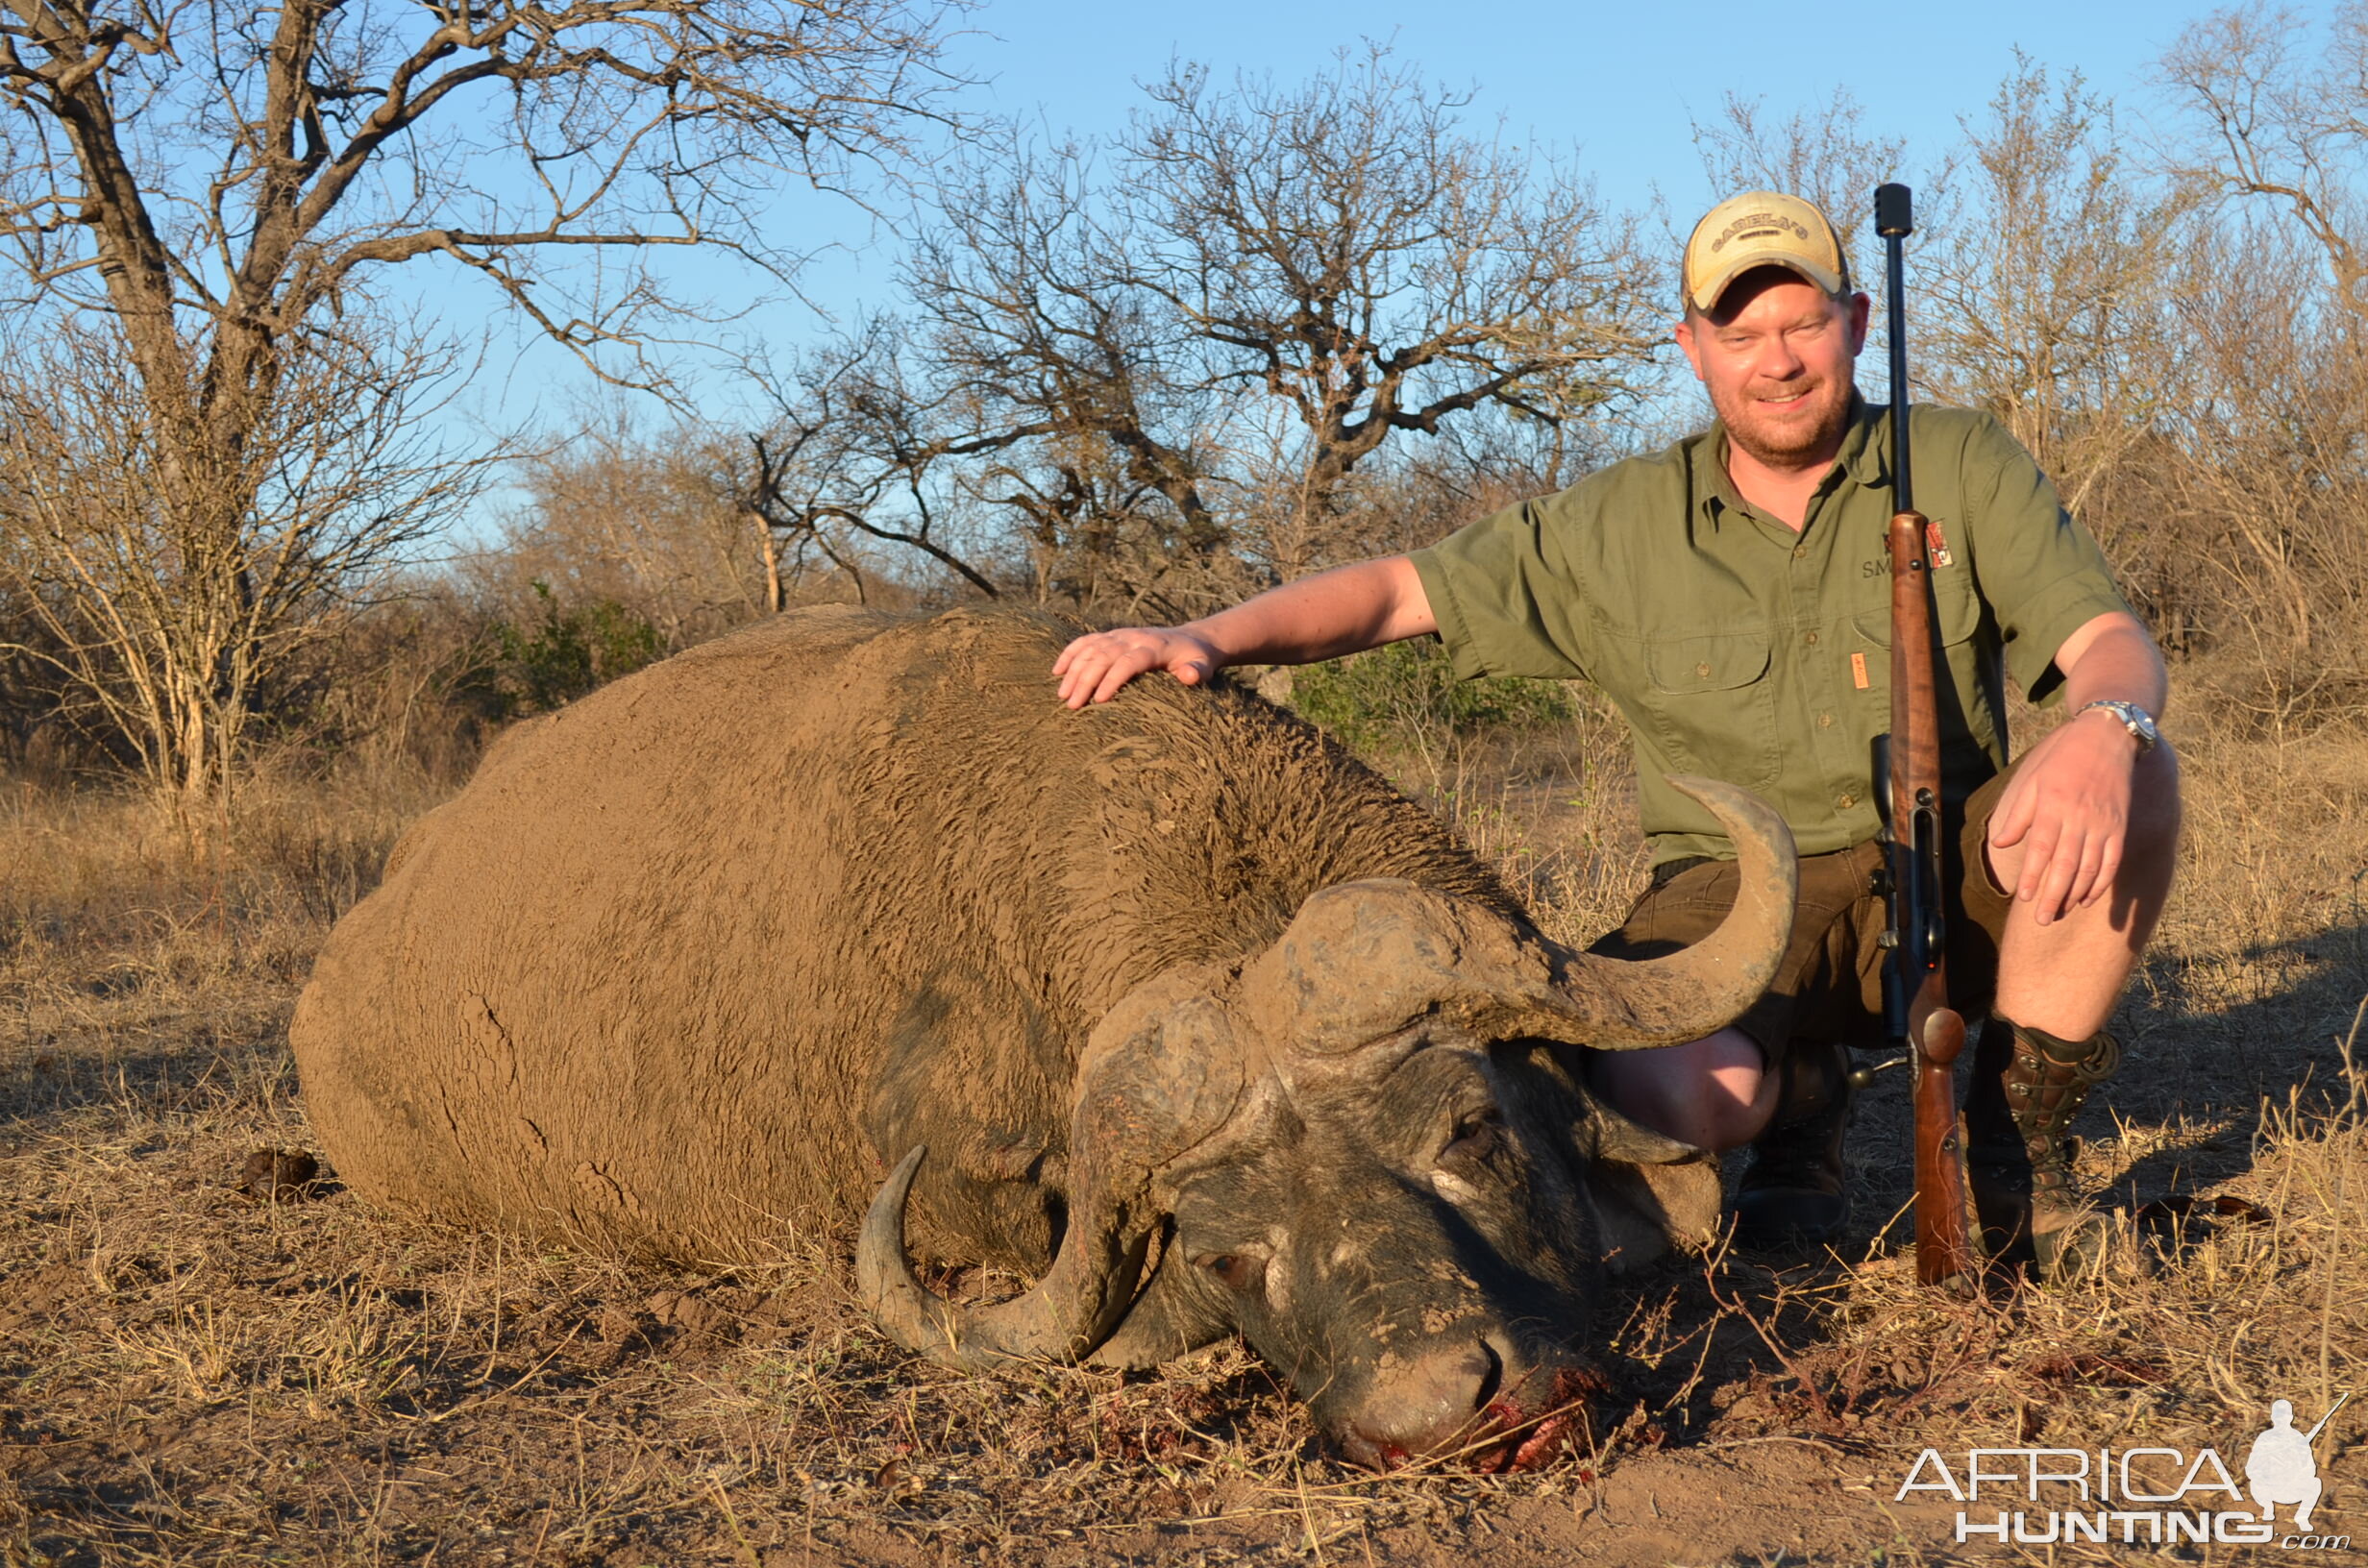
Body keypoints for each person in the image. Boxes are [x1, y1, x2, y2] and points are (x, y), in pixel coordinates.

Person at [1049, 190, 2183, 1282]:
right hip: (1732, 889)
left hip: (1951, 857)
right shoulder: (1616, 520)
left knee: (2143, 773)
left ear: (1856, 324)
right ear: (1693, 348)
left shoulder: (1961, 459)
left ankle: (2017, 1141)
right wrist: (1204, 636)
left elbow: (2107, 643)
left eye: (1803, 323)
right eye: (1742, 331)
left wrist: (2106, 723)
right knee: (1698, 1097)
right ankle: (1800, 1096)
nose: (1777, 359)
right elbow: (1400, 592)